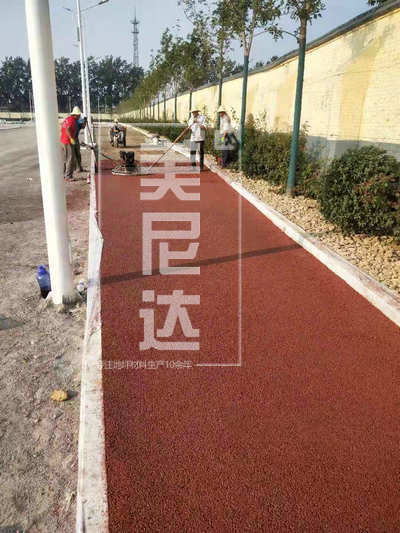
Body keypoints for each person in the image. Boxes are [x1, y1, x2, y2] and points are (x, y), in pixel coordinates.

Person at [60, 106, 81, 180]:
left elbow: (63, 128)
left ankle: (63, 174)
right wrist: (71, 138)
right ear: (75, 115)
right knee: (70, 158)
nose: (79, 116)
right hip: (67, 141)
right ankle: (68, 176)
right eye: (79, 115)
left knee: (65, 158)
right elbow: (67, 129)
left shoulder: (68, 119)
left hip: (63, 140)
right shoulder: (72, 120)